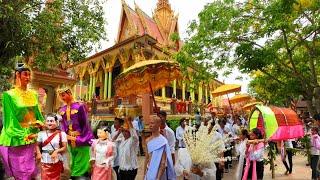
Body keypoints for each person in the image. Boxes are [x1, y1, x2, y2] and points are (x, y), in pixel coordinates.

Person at [0, 63, 44, 180]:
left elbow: (37, 114)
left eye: (29, 75)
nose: (28, 77)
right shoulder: (8, 95)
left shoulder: (33, 94)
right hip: (16, 136)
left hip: (31, 135)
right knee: (21, 171)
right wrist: (23, 135)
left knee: (31, 171)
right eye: (25, 74)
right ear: (17, 75)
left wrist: (42, 125)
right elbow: (10, 120)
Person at [58, 87, 94, 179]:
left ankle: (78, 176)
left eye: (63, 95)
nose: (62, 98)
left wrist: (82, 139)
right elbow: (63, 125)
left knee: (81, 165)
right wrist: (65, 136)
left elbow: (85, 124)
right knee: (72, 162)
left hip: (81, 139)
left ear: (69, 93)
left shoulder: (79, 106)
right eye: (60, 96)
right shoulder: (62, 109)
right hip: (69, 140)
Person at [36, 113, 67, 180]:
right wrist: (38, 153)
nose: (49, 123)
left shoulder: (62, 134)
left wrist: (56, 151)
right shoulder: (41, 134)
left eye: (51, 121)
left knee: (55, 178)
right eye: (48, 121)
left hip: (56, 160)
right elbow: (37, 145)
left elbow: (64, 147)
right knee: (44, 177)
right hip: (44, 159)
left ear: (56, 122)